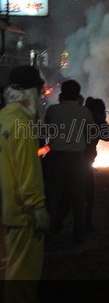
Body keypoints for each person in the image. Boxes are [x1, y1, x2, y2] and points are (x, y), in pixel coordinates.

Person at [0, 66, 49, 289]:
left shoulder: (3, 117)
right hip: (22, 215)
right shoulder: (22, 124)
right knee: (22, 277)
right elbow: (26, 170)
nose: (39, 98)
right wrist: (37, 207)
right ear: (30, 93)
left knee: (7, 269)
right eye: (39, 92)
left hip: (5, 210)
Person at [45, 80, 94, 244]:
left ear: (62, 94)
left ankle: (47, 234)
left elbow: (46, 131)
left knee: (53, 197)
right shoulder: (84, 111)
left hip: (55, 158)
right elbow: (91, 133)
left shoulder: (52, 110)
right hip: (77, 159)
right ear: (78, 94)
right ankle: (78, 235)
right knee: (78, 197)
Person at [84, 97, 109, 232]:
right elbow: (107, 136)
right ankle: (85, 225)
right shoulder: (94, 124)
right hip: (82, 164)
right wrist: (102, 120)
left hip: (63, 162)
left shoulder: (78, 118)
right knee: (88, 195)